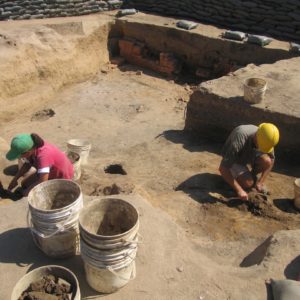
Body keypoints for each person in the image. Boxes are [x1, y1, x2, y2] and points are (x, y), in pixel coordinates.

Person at [219, 123, 279, 201]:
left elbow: (272, 160)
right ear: (256, 136)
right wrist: (239, 190)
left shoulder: (268, 138)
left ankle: (249, 177)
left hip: (248, 155)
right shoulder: (240, 138)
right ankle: (236, 180)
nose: (262, 149)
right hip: (235, 159)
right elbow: (223, 169)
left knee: (267, 161)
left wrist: (260, 182)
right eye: (261, 146)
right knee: (248, 183)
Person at [6, 133, 74, 196]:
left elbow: (42, 181)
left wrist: (26, 193)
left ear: (27, 152)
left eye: (19, 156)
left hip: (62, 177)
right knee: (24, 184)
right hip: (49, 171)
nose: (20, 158)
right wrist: (15, 179)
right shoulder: (33, 146)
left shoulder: (43, 156)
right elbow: (27, 164)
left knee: (32, 192)